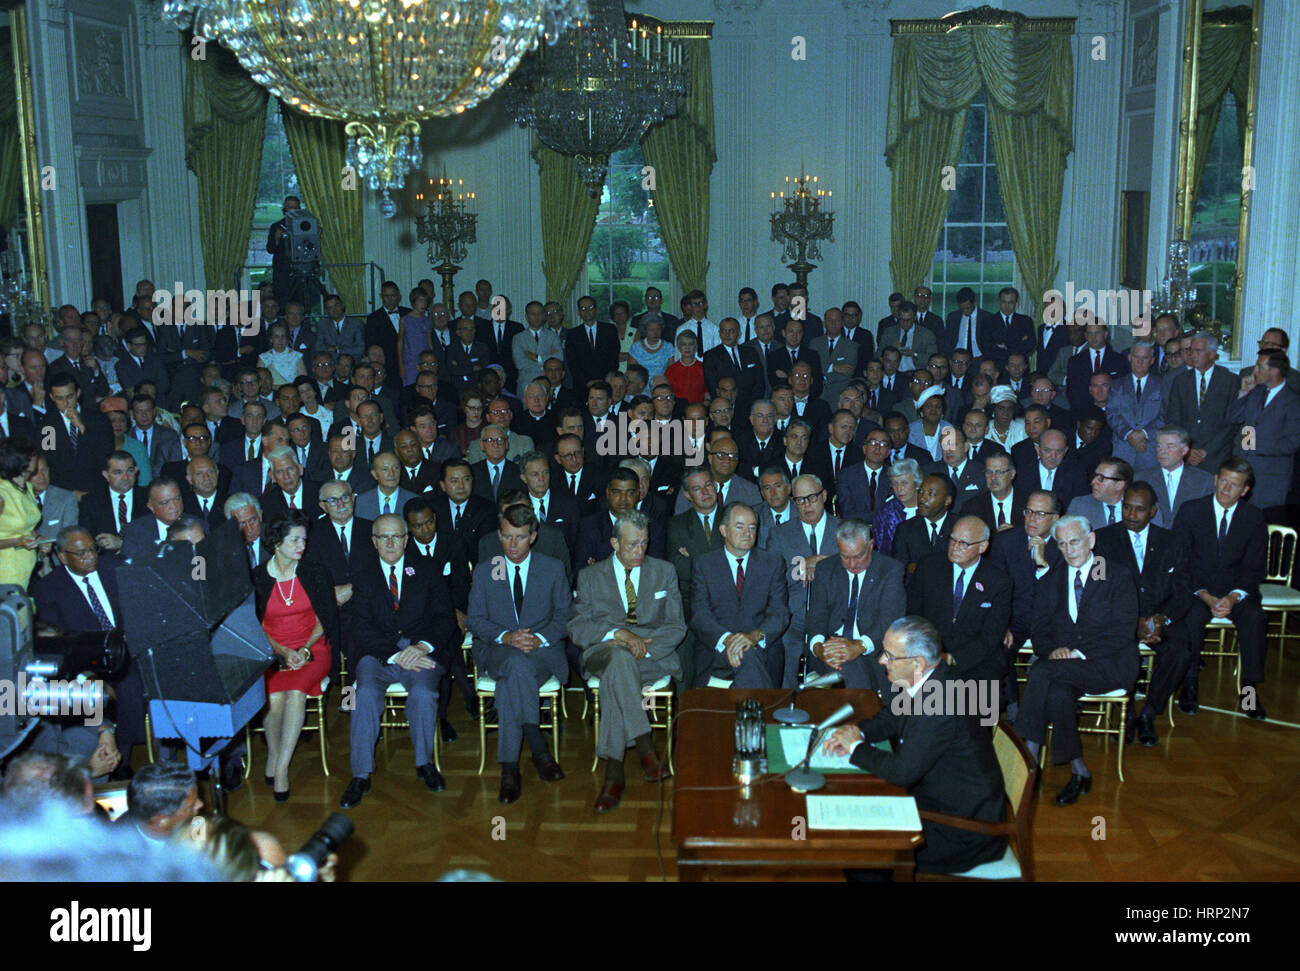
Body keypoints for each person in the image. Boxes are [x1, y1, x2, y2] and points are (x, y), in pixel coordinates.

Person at [822, 617, 1007, 875]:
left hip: (963, 830)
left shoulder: (941, 703)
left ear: (917, 663)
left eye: (889, 655)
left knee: (861, 855)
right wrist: (857, 733)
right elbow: (891, 716)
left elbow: (902, 772)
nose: (881, 661)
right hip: (939, 799)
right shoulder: (930, 677)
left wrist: (856, 748)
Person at [338, 513, 459, 809]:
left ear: (406, 540)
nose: (391, 543)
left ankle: (424, 764)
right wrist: (394, 653)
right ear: (374, 542)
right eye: (384, 537)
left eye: (396, 537)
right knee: (361, 695)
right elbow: (359, 626)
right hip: (377, 655)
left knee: (424, 693)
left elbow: (445, 619)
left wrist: (421, 646)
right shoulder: (362, 576)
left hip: (422, 654)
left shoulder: (428, 570)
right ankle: (360, 774)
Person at [1016, 515, 1139, 806]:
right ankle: (1079, 770)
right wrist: (1052, 651)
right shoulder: (1050, 582)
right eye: (1062, 544)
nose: (1069, 550)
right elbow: (1040, 631)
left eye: (1075, 542)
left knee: (1040, 672)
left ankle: (1028, 759)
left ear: (1091, 540)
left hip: (1109, 665)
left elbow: (1122, 632)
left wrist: (1076, 653)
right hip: (1064, 669)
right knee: (1056, 693)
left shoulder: (1116, 575)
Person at [568, 512, 684, 814]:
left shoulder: (664, 571)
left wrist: (642, 648)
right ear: (614, 543)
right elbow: (577, 628)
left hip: (651, 655)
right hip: (604, 649)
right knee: (618, 657)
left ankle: (614, 773)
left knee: (618, 672)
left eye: (644, 543)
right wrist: (616, 633)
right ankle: (645, 747)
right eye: (632, 544)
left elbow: (676, 626)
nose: (640, 551)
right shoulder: (590, 576)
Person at [467, 505, 571, 804]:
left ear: (533, 537)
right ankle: (538, 750)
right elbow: (475, 620)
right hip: (498, 649)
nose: (513, 545)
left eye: (521, 537)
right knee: (514, 664)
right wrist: (506, 637)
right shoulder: (486, 571)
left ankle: (510, 768)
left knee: (514, 676)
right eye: (508, 537)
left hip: (542, 651)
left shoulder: (551, 568)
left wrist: (538, 638)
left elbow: (565, 616)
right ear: (499, 535)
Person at [1093, 482, 1191, 747]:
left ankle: (1148, 712)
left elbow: (1183, 591)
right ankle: (1126, 714)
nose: (1131, 515)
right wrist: (1129, 622)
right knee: (1116, 650)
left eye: (1139, 509)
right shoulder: (1101, 540)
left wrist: (1162, 619)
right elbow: (1097, 591)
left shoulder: (1171, 542)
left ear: (1152, 511)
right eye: (1126, 507)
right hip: (1118, 619)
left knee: (1181, 651)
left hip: (1160, 615)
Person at [1173, 458, 1269, 719]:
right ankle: (1189, 684)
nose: (1226, 489)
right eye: (1223, 481)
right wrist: (1204, 595)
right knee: (1191, 618)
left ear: (1245, 490)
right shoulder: (1190, 511)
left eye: (1234, 485)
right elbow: (1181, 563)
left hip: (1236, 591)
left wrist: (1233, 597)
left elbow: (1255, 567)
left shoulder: (1254, 518)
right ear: (1215, 479)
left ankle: (1249, 690)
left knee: (1255, 619)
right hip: (1197, 590)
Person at [252, 510, 338, 801]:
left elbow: (326, 617)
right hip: (273, 650)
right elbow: (255, 626)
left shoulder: (315, 572)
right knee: (274, 697)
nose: (302, 545)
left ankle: (282, 769)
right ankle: (274, 757)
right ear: (277, 542)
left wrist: (301, 650)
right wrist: (284, 651)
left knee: (297, 692)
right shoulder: (257, 577)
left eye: (304, 539)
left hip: (313, 648)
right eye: (295, 540)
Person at [689, 502, 789, 688]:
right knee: (749, 661)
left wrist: (753, 637)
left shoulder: (772, 563)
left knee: (750, 657)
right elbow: (699, 616)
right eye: (740, 526)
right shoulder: (704, 564)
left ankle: (749, 716)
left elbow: (779, 613)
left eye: (752, 527)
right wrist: (728, 641)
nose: (747, 533)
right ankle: (759, 716)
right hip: (716, 650)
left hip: (760, 649)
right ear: (723, 530)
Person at [906, 516, 1012, 686]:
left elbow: (990, 637)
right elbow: (913, 617)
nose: (955, 547)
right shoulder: (929, 567)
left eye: (963, 543)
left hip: (977, 662)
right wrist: (931, 655)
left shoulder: (998, 582)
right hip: (930, 654)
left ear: (983, 546)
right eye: (953, 540)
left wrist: (953, 659)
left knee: (970, 701)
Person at [804, 517, 905, 691]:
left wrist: (858, 646)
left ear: (871, 545)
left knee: (855, 667)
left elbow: (889, 619)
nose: (852, 564)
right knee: (849, 665)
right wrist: (819, 647)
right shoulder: (825, 569)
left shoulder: (890, 570)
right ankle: (863, 716)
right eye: (845, 557)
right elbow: (816, 615)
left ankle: (863, 715)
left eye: (859, 556)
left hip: (874, 649)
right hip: (831, 650)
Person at [1227, 350, 1300, 512]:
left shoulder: (1294, 401)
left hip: (1270, 481)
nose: (1254, 372)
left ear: (1274, 371)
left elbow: (1291, 443)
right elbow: (1234, 418)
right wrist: (1244, 393)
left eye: (1259, 367)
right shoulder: (1254, 392)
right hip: (1243, 474)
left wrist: (1253, 445)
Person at [1159, 331, 1237, 472]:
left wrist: (1206, 451)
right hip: (1186, 457)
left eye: (1198, 351)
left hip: (1218, 457)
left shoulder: (1229, 381)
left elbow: (1231, 423)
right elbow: (1173, 419)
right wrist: (1188, 450)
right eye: (1190, 350)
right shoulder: (1180, 381)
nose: (1192, 355)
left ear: (1212, 354)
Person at [1136, 426, 1214, 528]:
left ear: (1184, 450)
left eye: (1170, 446)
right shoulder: (1141, 479)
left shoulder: (1204, 481)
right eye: (1159, 446)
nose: (1162, 451)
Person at [1107, 340, 1164, 474]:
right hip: (1123, 449)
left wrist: (1144, 434)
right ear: (1130, 358)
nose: (1140, 362)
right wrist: (1129, 434)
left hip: (1151, 449)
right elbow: (1112, 414)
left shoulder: (1162, 384)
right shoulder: (1117, 385)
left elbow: (1165, 414)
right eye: (1136, 357)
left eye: (1145, 358)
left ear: (1152, 360)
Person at [891, 474, 956, 575]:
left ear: (947, 500)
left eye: (930, 494)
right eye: (920, 492)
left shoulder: (959, 527)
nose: (922, 499)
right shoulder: (905, 528)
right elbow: (898, 569)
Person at [0, 437, 44, 587]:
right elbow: (19, 535)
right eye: (32, 456)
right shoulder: (2, 492)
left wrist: (40, 539)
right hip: (4, 569)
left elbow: (26, 527)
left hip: (25, 567)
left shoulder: (28, 488)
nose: (36, 458)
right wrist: (17, 541)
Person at [124, 761, 203, 843]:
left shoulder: (197, 824)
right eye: (189, 808)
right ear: (162, 822)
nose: (200, 804)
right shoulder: (119, 851)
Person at [872, 457, 922, 557]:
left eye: (904, 483)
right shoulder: (885, 513)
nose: (899, 489)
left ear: (917, 484)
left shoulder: (928, 510)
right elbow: (880, 551)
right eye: (895, 483)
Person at [1067, 458, 1133, 530]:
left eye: (1101, 478)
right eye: (1095, 476)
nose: (1093, 482)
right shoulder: (1079, 506)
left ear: (1119, 485)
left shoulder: (1135, 507)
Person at [397, 286, 433, 386]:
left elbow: (429, 343)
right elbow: (400, 342)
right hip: (410, 360)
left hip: (425, 359)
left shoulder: (428, 320)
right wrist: (401, 364)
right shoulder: (405, 320)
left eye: (425, 301)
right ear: (413, 301)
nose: (423, 303)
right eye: (420, 300)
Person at [665, 330, 706, 404]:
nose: (687, 347)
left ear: (696, 347)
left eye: (691, 344)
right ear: (678, 347)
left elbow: (707, 394)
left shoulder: (704, 368)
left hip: (698, 410)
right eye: (683, 344)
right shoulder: (671, 370)